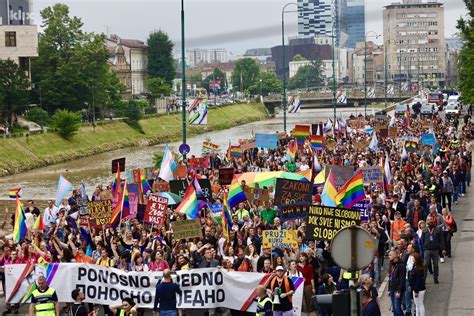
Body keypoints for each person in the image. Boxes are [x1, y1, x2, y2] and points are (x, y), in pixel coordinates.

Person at [421, 216, 446, 284]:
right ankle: (423, 279)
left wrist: (443, 249)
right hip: (427, 250)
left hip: (435, 250)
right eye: (428, 220)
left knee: (436, 265)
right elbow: (422, 240)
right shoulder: (424, 230)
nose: (430, 221)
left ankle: (435, 278)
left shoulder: (438, 229)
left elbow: (442, 240)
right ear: (426, 221)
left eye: (431, 219)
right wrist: (423, 249)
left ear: (433, 220)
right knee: (425, 264)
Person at [388, 250, 405, 316]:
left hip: (397, 289)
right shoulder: (391, 264)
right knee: (394, 309)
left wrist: (399, 291)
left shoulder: (401, 265)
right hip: (392, 289)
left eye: (390, 255)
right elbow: (390, 277)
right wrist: (389, 289)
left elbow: (402, 279)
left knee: (397, 307)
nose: (389, 256)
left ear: (395, 255)